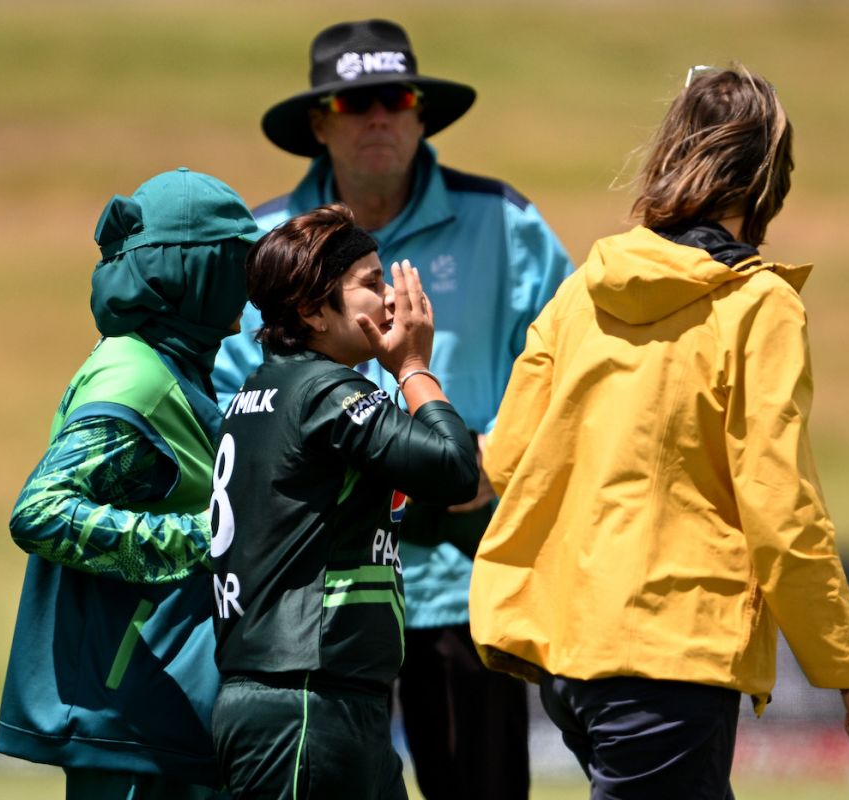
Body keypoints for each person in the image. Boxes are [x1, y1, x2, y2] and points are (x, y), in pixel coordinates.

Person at [469, 65, 849, 799]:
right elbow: (781, 507)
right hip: (669, 659)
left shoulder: (583, 291)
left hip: (568, 655)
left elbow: (506, 456)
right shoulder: (759, 306)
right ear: (770, 177)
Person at [212, 20, 572, 798]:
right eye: (354, 102)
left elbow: (575, 378)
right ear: (319, 122)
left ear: (419, 113)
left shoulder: (504, 222)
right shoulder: (269, 240)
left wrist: (492, 462)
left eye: (396, 97)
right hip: (312, 606)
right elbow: (232, 400)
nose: (378, 115)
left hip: (460, 583)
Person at [0, 167, 262, 799]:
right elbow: (40, 512)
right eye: (238, 261)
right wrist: (205, 539)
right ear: (193, 269)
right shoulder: (137, 377)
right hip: (131, 721)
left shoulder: (167, 361)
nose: (250, 283)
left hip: (160, 716)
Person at [206, 203, 479, 798]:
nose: (392, 301)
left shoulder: (260, 391)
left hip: (307, 699)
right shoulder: (327, 392)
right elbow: (455, 468)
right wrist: (411, 366)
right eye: (371, 284)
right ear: (310, 309)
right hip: (306, 700)